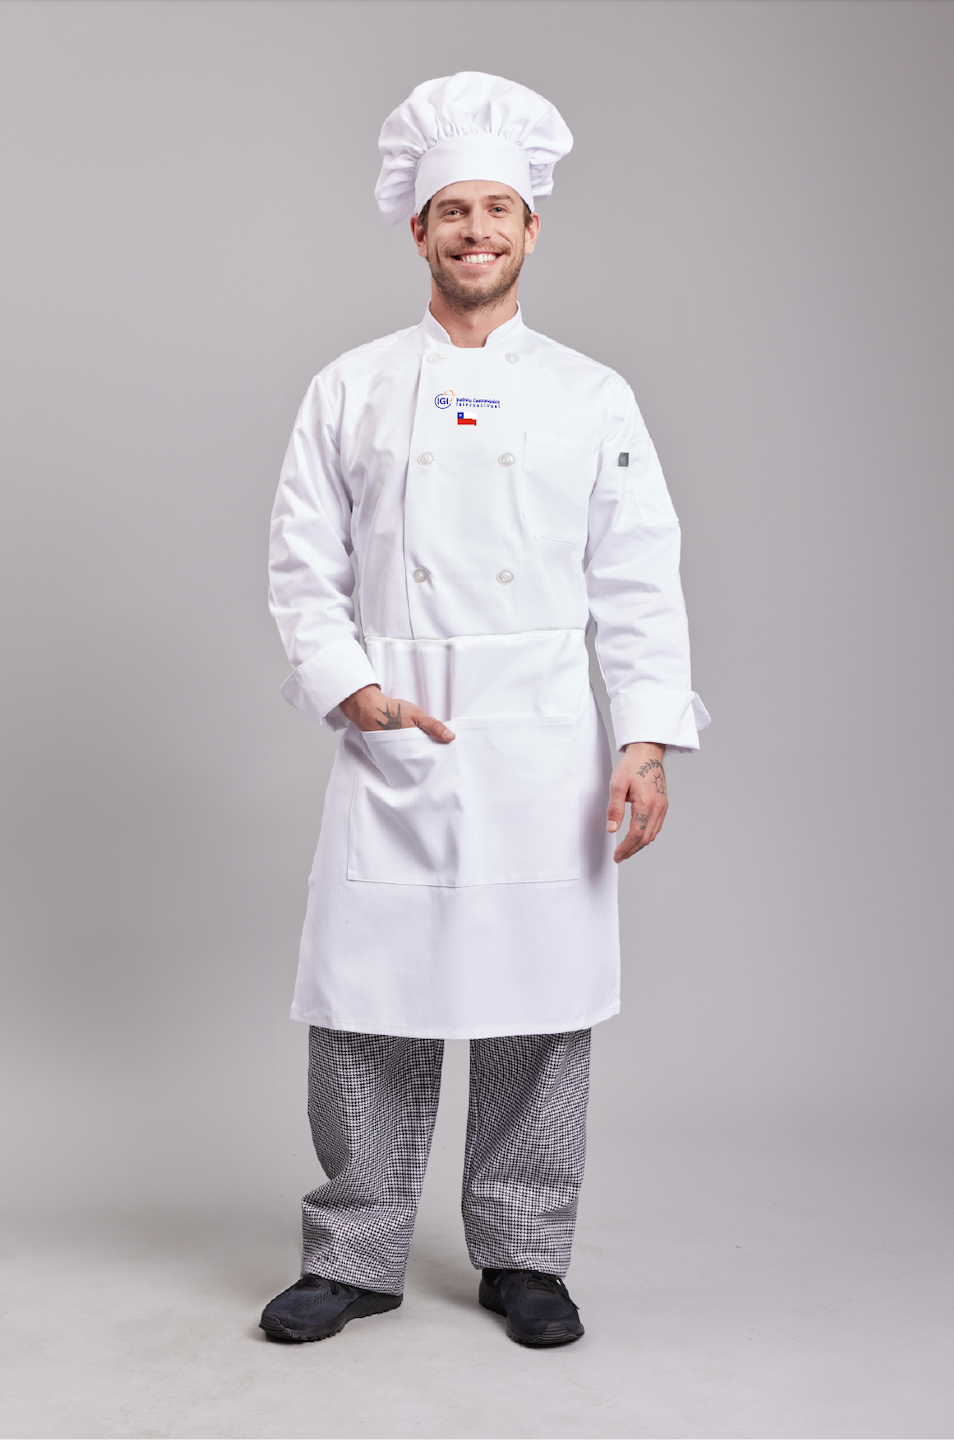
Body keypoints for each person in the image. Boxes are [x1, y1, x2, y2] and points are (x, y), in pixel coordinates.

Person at [261, 71, 709, 1349]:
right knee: (367, 1006)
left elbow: (638, 574)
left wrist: (645, 739)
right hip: (395, 724)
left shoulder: (591, 395)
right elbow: (301, 564)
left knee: (538, 1010)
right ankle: (353, 1254)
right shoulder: (349, 387)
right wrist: (351, 688)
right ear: (418, 229)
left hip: (541, 738)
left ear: (530, 230)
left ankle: (525, 1256)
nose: (475, 231)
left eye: (496, 210)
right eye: (452, 210)